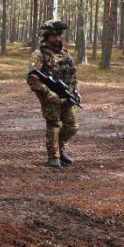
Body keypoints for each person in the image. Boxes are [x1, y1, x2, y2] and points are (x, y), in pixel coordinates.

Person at [26, 19, 79, 168]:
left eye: (58, 35)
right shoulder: (39, 55)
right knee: (53, 124)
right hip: (50, 96)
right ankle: (53, 156)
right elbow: (31, 78)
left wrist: (75, 92)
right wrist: (48, 93)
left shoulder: (65, 55)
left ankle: (60, 148)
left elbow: (72, 75)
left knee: (72, 125)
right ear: (47, 36)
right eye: (53, 35)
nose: (57, 38)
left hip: (66, 94)